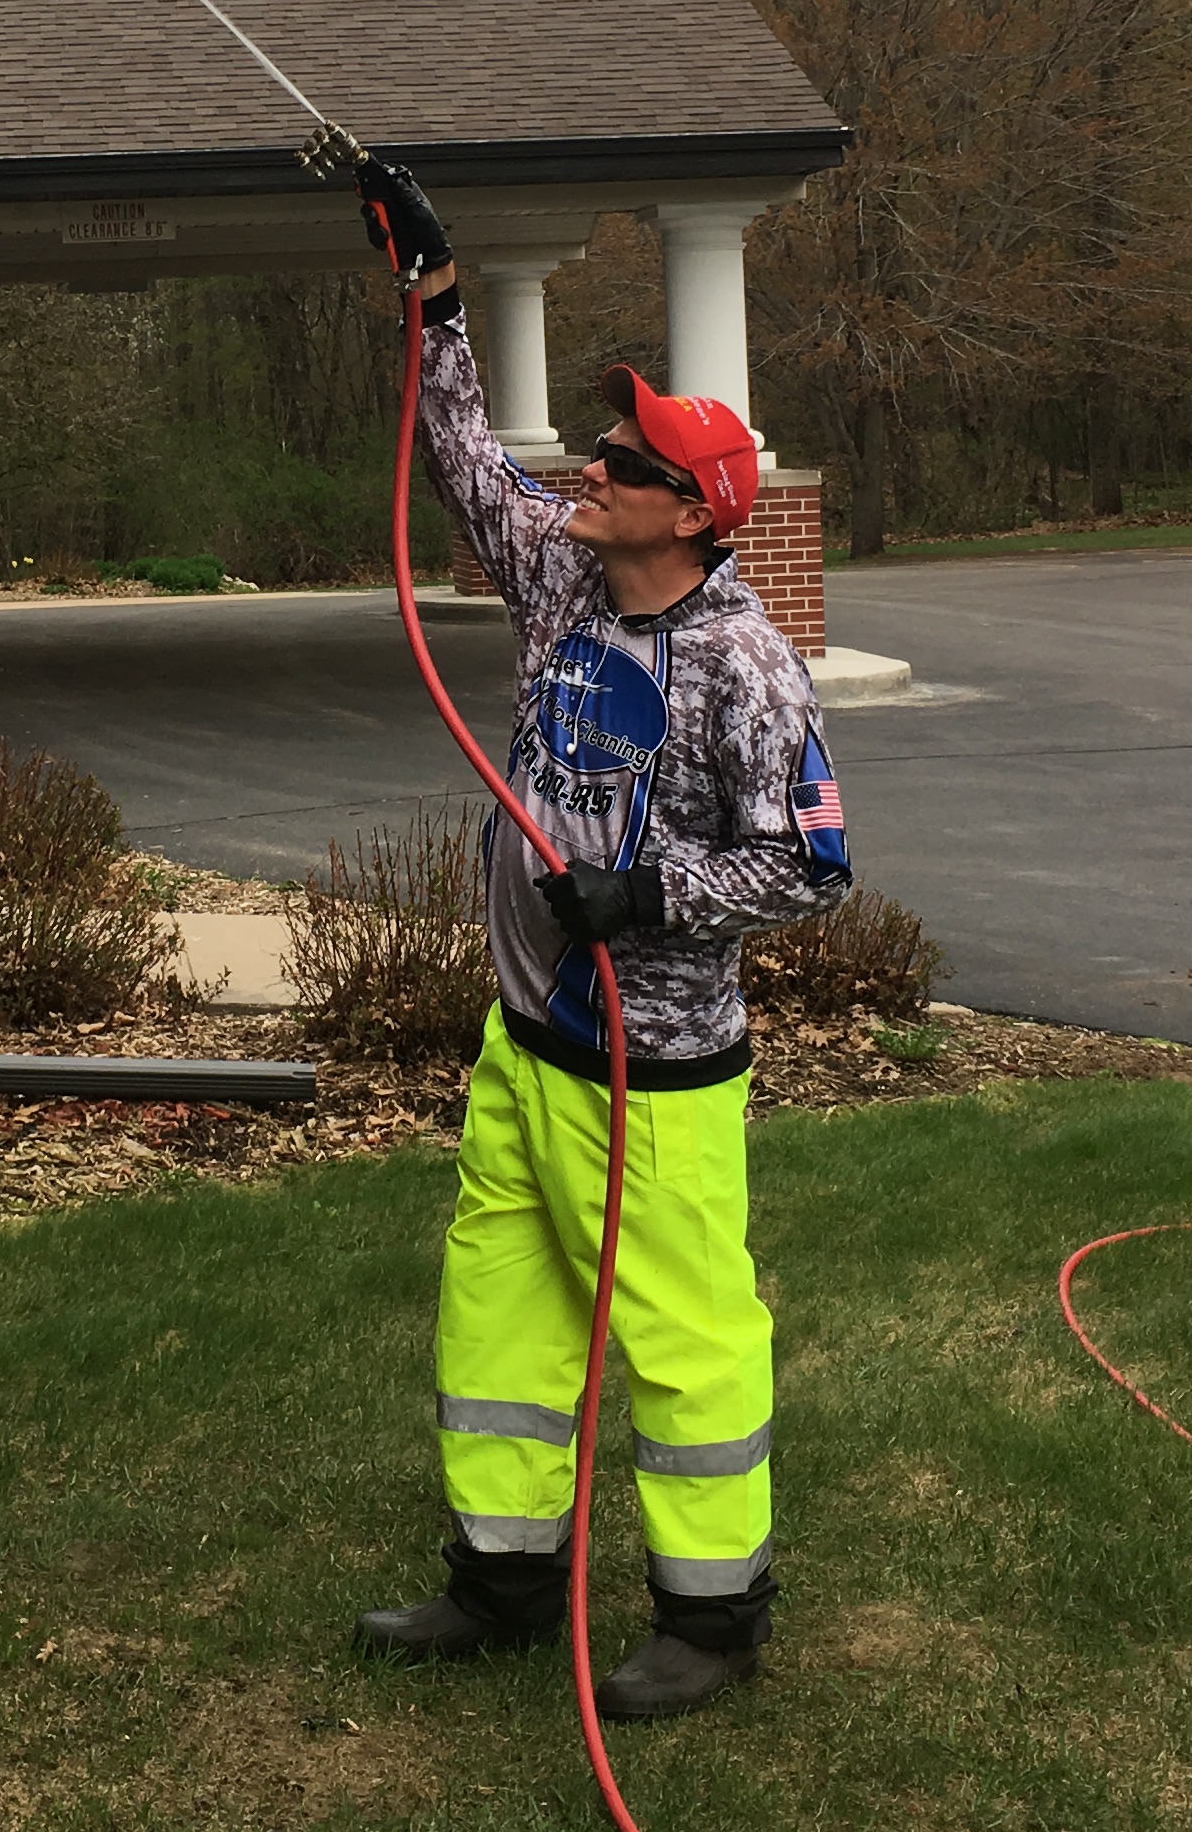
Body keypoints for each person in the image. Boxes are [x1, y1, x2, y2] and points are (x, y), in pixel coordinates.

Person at [347, 158, 852, 1721]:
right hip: (529, 1041)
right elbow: (467, 465)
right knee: (500, 1306)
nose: (595, 463)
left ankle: (713, 1619)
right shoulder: (566, 579)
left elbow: (816, 868)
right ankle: (503, 1578)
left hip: (659, 1075)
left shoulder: (744, 669)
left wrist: (649, 900)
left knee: (687, 1340)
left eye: (625, 457)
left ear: (692, 510)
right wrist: (433, 306)